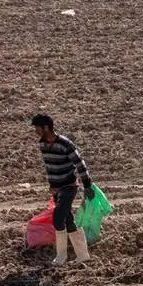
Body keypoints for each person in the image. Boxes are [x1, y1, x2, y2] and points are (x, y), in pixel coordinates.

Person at [31, 113, 95, 266]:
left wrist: (87, 186)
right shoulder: (42, 145)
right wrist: (52, 186)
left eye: (37, 128)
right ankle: (82, 255)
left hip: (69, 186)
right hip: (56, 189)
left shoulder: (65, 144)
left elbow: (80, 164)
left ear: (46, 128)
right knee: (68, 220)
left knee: (58, 219)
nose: (36, 131)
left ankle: (61, 256)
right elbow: (50, 168)